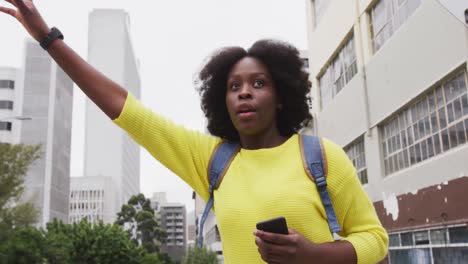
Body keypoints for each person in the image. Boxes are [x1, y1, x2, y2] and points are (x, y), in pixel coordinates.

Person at [0, 0, 389, 263]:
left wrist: (314, 255)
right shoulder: (212, 160)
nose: (245, 93)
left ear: (281, 95)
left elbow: (374, 238)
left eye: (258, 83)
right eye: (234, 87)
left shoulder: (320, 156)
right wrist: (48, 38)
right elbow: (125, 108)